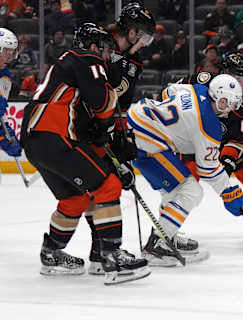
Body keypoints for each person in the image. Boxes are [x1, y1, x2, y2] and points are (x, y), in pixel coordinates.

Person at [19, 23, 150, 284]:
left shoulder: (67, 69)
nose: (107, 55)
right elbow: (103, 104)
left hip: (36, 141)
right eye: (105, 49)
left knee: (76, 199)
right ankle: (112, 256)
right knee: (108, 185)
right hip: (55, 135)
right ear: (93, 46)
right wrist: (108, 127)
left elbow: (85, 123)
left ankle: (52, 253)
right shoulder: (85, 57)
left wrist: (103, 137)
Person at [127, 74, 243, 266]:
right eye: (232, 104)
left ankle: (168, 235)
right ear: (222, 101)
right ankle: (157, 245)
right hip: (146, 141)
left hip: (136, 119)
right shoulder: (210, 125)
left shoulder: (197, 89)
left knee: (173, 191)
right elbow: (207, 169)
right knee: (192, 191)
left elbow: (168, 91)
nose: (232, 109)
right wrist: (228, 191)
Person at [173, 52, 243, 238]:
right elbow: (173, 91)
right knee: (185, 187)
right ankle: (167, 230)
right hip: (194, 143)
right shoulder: (204, 80)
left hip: (222, 144)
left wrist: (227, 163)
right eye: (241, 79)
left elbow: (239, 138)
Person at [84, 1, 156, 275]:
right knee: (105, 187)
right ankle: (107, 253)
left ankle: (100, 252)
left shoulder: (129, 57)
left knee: (101, 189)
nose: (148, 43)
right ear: (134, 32)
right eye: (146, 36)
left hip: (105, 125)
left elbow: (120, 99)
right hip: (88, 128)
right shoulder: (102, 46)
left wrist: (121, 132)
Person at [0, 27, 22, 158]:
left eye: (12, 51)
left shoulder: (5, 76)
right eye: (6, 50)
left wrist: (6, 134)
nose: (10, 54)